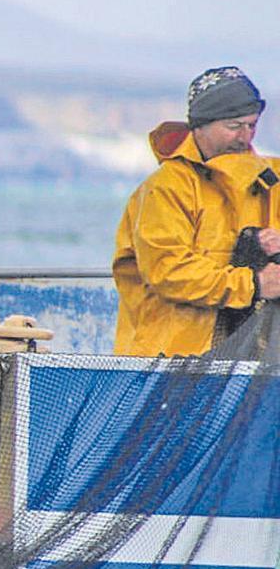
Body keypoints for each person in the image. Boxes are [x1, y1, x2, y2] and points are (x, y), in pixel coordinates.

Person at [113, 66, 280, 356]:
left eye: (252, 125)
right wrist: (253, 283)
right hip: (169, 356)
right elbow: (169, 270)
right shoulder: (165, 188)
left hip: (251, 355)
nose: (245, 137)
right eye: (234, 126)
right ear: (199, 126)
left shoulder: (270, 179)